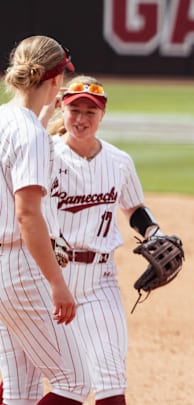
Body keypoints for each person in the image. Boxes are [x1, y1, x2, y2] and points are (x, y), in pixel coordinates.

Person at [46, 74, 178, 405]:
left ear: (102, 115)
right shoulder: (46, 156)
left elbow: (133, 207)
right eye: (75, 110)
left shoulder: (119, 161)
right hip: (50, 278)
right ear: (62, 109)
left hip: (99, 282)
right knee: (65, 384)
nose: (81, 119)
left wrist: (153, 232)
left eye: (90, 112)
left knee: (110, 379)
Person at [0, 35, 92, 404]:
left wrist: (42, 120)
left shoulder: (8, 119)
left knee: (21, 389)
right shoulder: (31, 134)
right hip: (21, 268)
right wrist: (57, 281)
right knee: (73, 382)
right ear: (56, 80)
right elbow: (27, 215)